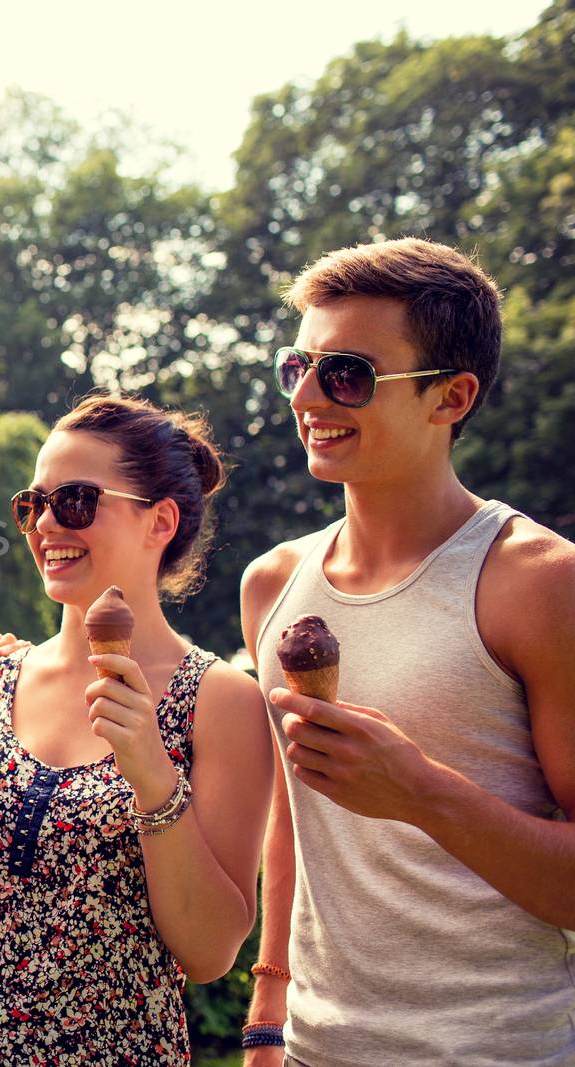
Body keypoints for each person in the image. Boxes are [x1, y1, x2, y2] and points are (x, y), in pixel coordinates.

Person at [240, 238, 575, 1065]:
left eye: (346, 372)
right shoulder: (272, 583)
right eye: (297, 367)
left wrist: (423, 792)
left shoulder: (538, 582)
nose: (308, 397)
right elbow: (292, 812)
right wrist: (270, 1003)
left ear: (450, 396)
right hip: (319, 1047)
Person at [0, 394, 274, 1065]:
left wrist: (154, 775)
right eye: (30, 504)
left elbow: (210, 951)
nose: (44, 524)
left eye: (73, 500)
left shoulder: (221, 701)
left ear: (159, 521)